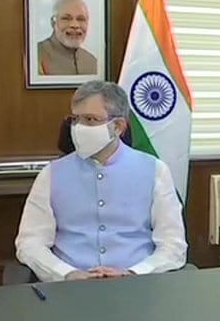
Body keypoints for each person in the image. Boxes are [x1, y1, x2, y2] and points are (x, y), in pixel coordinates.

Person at [15, 80, 187, 282]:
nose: (79, 128)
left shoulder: (155, 170)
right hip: (69, 287)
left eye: (90, 119)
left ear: (118, 126)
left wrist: (136, 272)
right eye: (75, 119)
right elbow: (30, 243)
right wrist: (65, 273)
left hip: (136, 286)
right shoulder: (51, 174)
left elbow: (173, 245)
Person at [37, 0, 98, 76]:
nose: (75, 25)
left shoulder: (92, 61)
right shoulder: (36, 56)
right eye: (66, 18)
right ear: (53, 23)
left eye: (81, 19)